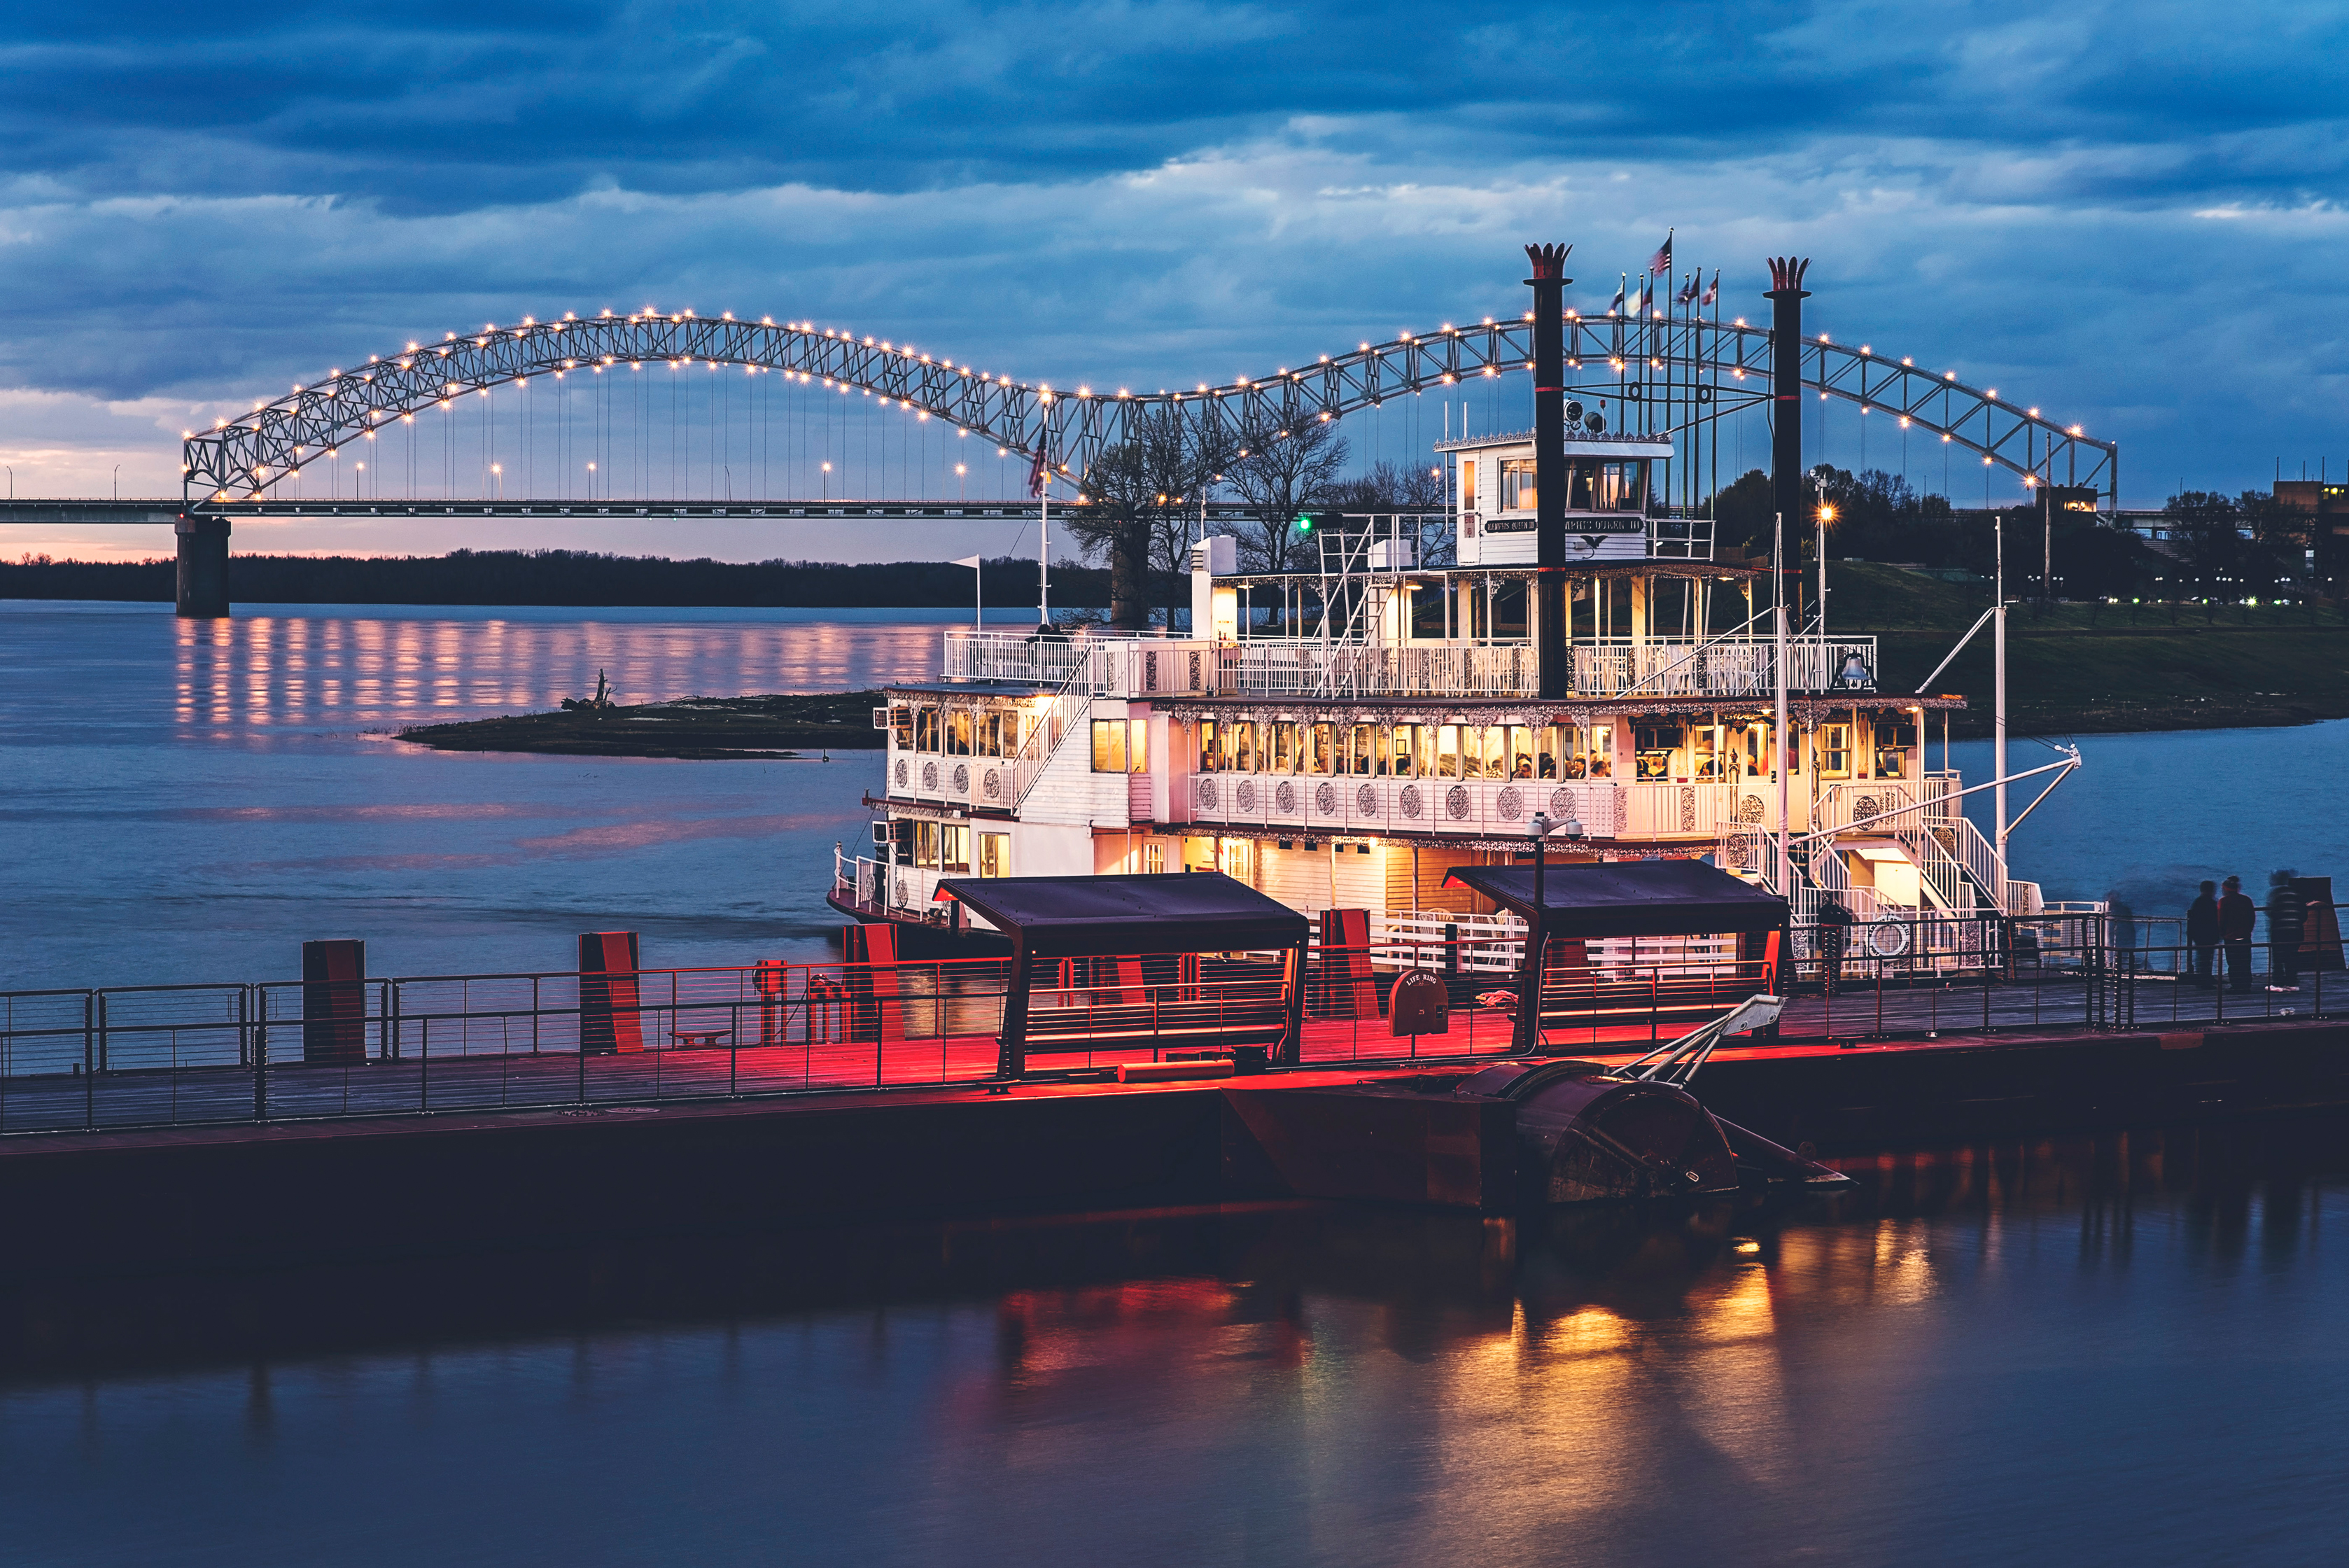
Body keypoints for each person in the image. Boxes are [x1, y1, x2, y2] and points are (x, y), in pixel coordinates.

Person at [2267, 869, 2306, 993]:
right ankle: (2292, 983)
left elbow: (2271, 912)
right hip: (2296, 931)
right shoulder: (2296, 894)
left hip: (2280, 931)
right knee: (2292, 957)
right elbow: (2304, 914)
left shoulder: (2276, 894)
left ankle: (2278, 983)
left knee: (2278, 958)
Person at [2219, 875, 2256, 994]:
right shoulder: (2246, 900)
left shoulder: (2224, 902)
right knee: (2245, 962)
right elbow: (2252, 918)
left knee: (2233, 963)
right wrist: (2248, 931)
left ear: (2225, 889)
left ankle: (2236, 986)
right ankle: (2246, 985)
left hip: (2231, 937)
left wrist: (2222, 933)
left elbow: (2221, 920)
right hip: (2245, 936)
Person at [1817, 893, 1856, 995]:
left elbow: (1820, 921)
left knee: (1828, 961)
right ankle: (1832, 985)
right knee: (1834, 961)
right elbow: (1848, 920)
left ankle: (1829, 985)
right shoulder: (1835, 910)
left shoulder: (1824, 911)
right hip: (1833, 936)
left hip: (1828, 937)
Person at [2185, 880, 2219, 989]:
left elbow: (2194, 920)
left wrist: (2192, 934)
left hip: (2200, 935)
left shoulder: (2198, 902)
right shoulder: (2212, 903)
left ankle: (2204, 977)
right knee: (2206, 958)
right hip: (2209, 935)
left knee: (2202, 957)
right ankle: (2205, 979)